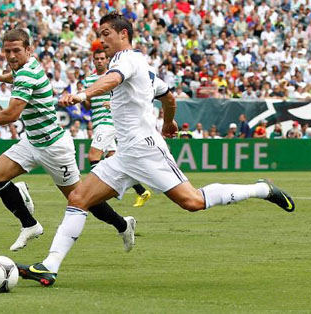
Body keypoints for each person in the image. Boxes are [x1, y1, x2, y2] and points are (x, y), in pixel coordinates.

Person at [16, 13, 295, 287]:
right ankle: (50, 266)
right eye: (99, 35)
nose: (101, 40)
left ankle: (262, 189)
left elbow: (112, 79)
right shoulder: (140, 66)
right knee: (78, 198)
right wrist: (169, 121)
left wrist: (84, 94)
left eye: (106, 34)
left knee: (193, 202)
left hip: (146, 150)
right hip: (125, 154)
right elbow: (168, 96)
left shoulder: (128, 60)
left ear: (123, 34)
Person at [0, 29, 134, 251]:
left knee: (81, 199)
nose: (11, 56)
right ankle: (29, 225)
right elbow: (14, 75)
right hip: (32, 141)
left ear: (28, 49)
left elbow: (11, 114)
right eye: (7, 51)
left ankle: (122, 224)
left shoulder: (26, 75)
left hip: (54, 147)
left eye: (16, 51)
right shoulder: (27, 66)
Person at [83, 49, 151, 207]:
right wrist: (83, 97)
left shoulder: (114, 77)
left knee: (93, 155)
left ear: (107, 60)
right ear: (93, 61)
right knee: (114, 159)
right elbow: (88, 104)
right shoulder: (89, 80)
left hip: (108, 121)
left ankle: (97, 190)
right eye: (97, 59)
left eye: (102, 58)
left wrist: (111, 103)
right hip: (98, 120)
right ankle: (141, 191)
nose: (99, 61)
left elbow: (123, 97)